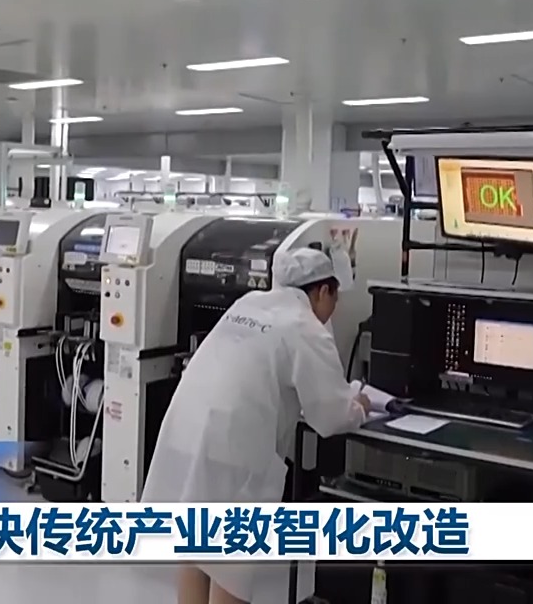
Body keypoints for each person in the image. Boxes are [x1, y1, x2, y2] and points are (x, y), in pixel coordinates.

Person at [142, 246, 374, 604]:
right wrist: (359, 406)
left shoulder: (248, 303)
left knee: (196, 545)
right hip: (235, 449)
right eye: (335, 297)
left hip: (190, 429)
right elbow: (330, 416)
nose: (334, 308)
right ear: (323, 291)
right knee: (231, 563)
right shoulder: (305, 326)